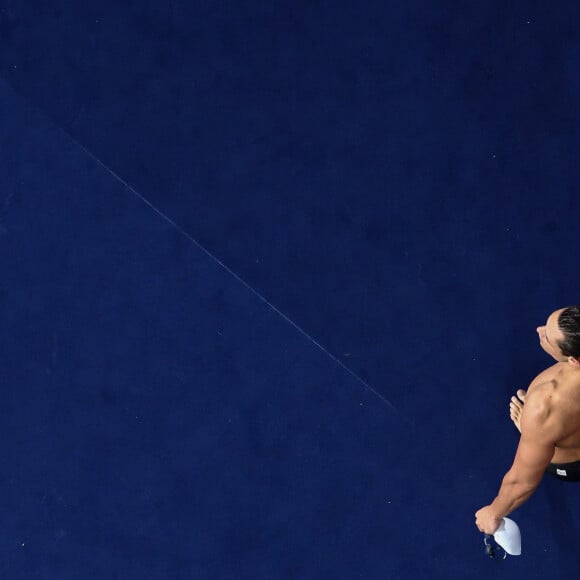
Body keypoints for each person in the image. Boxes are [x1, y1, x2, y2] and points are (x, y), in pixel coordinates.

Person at [475, 306, 580, 535]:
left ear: (573, 360)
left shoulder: (546, 406)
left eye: (548, 338)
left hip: (571, 461)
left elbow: (522, 481)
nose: (539, 330)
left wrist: (494, 513)